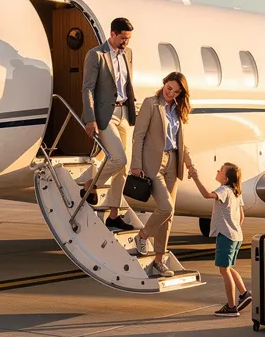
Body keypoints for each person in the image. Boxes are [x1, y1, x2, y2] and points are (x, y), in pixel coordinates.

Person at [130, 72, 193, 277]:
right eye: (169, 89)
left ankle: (159, 260)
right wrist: (136, 164)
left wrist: (190, 165)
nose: (171, 93)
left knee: (169, 214)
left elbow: (180, 141)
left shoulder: (177, 109)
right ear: (164, 83)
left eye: (175, 91)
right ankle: (142, 235)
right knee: (166, 207)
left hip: (173, 162)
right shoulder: (150, 103)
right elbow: (138, 136)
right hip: (153, 163)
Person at [81, 17, 137, 231]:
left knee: (124, 168)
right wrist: (90, 118)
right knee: (118, 159)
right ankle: (91, 184)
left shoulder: (128, 54)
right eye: (123, 38)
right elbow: (87, 88)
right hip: (106, 114)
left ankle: (114, 215)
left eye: (128, 39)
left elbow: (127, 84)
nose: (126, 42)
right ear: (112, 34)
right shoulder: (96, 55)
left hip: (125, 112)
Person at [190, 162, 249, 316]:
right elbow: (241, 216)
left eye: (221, 170)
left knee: (224, 270)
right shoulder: (236, 192)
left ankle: (231, 307)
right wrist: (233, 226)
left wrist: (196, 178)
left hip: (226, 235)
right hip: (236, 235)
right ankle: (244, 293)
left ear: (225, 179)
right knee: (228, 268)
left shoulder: (223, 190)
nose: (217, 171)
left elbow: (206, 195)